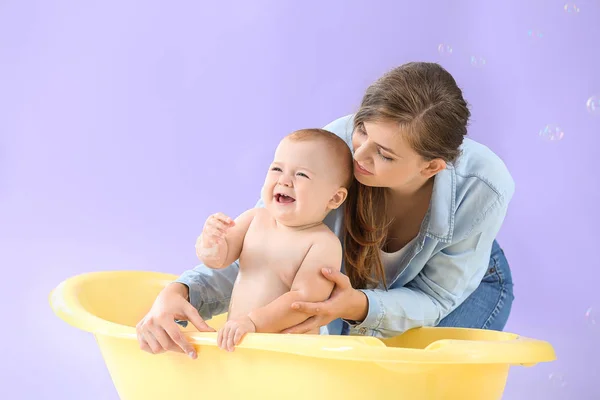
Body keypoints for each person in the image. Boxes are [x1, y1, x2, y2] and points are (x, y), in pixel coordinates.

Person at [136, 61, 515, 359]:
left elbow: (435, 297)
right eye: (362, 129)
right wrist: (182, 290)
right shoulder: (332, 146)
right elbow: (262, 251)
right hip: (355, 278)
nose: (358, 155)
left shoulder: (482, 188)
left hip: (459, 282)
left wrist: (358, 306)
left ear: (431, 167)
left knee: (416, 384)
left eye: (383, 154)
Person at [195, 128, 353, 352]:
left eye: (302, 175)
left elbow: (304, 302)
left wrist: (253, 322)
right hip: (242, 343)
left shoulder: (322, 244)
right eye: (277, 169)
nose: (284, 180)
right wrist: (210, 242)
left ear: (334, 198)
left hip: (288, 356)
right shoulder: (255, 219)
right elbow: (219, 260)